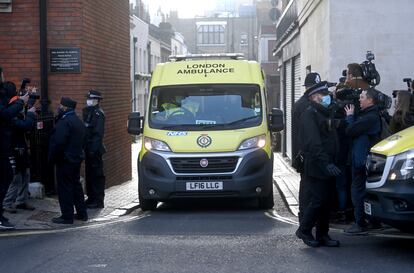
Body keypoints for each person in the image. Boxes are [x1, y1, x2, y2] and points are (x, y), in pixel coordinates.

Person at [295, 81, 341, 247]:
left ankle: (323, 234)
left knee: (327, 201)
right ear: (314, 97)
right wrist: (326, 163)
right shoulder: (309, 115)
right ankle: (304, 230)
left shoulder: (324, 112)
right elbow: (314, 144)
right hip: (317, 165)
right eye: (323, 95)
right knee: (318, 200)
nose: (327, 97)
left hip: (328, 163)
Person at [343, 88, 381, 235]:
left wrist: (350, 117)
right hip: (362, 160)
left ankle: (360, 223)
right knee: (365, 192)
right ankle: (371, 221)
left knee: (357, 192)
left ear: (370, 100)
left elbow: (350, 130)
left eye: (362, 97)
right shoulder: (368, 115)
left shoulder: (370, 117)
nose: (359, 99)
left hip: (362, 162)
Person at [49, 97, 88, 224]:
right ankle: (82, 214)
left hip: (65, 160)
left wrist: (52, 158)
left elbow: (58, 143)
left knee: (65, 188)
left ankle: (67, 216)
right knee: (76, 186)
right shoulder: (78, 121)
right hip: (76, 159)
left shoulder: (64, 122)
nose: (58, 108)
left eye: (60, 106)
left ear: (64, 107)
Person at [3, 86, 38, 213]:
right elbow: (24, 126)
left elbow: (27, 108)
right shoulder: (11, 116)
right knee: (15, 177)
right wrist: (30, 116)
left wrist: (32, 96)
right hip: (13, 149)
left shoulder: (19, 112)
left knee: (25, 174)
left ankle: (21, 201)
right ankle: (7, 203)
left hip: (21, 148)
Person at [292, 72, 320, 224]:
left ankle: (307, 215)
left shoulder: (305, 103)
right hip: (306, 153)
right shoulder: (303, 106)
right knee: (307, 187)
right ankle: (304, 215)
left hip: (308, 152)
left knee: (310, 187)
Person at [0, 81, 29, 229]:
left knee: (11, 177)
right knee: (9, 177)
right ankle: (5, 206)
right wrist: (21, 103)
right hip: (9, 148)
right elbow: (6, 115)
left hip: (9, 147)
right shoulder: (8, 106)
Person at [83, 90, 106, 209]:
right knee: (89, 174)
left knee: (96, 175)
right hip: (88, 148)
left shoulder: (98, 114)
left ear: (96, 100)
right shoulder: (89, 112)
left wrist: (93, 150)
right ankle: (91, 197)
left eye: (91, 99)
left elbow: (98, 134)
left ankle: (98, 200)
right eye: (88, 98)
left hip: (95, 149)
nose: (88, 101)